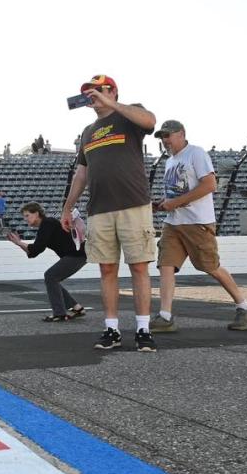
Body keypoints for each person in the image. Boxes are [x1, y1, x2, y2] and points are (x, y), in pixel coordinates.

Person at [61, 74, 158, 352]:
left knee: (139, 266)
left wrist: (113, 104)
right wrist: (68, 207)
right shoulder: (88, 132)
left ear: (113, 91)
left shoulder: (128, 114)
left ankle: (143, 329)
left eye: (99, 90)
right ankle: (112, 329)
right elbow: (82, 173)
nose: (93, 95)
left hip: (133, 204)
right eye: (89, 92)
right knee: (107, 269)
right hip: (99, 209)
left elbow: (150, 121)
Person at [151, 120, 247, 332]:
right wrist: (164, 203)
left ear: (181, 134)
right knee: (166, 264)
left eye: (168, 136)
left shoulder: (196, 153)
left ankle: (244, 306)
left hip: (197, 222)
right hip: (174, 221)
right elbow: (176, 191)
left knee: (210, 266)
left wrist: (176, 202)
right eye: (162, 137)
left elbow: (210, 185)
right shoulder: (170, 161)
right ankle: (165, 316)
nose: (165, 141)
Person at [7, 202, 87, 321]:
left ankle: (59, 313)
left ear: (37, 213)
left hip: (76, 254)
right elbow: (34, 252)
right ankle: (76, 308)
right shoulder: (45, 225)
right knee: (52, 278)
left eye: (27, 215)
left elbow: (36, 249)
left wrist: (20, 243)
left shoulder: (47, 223)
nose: (25, 219)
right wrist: (19, 244)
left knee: (50, 276)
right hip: (77, 254)